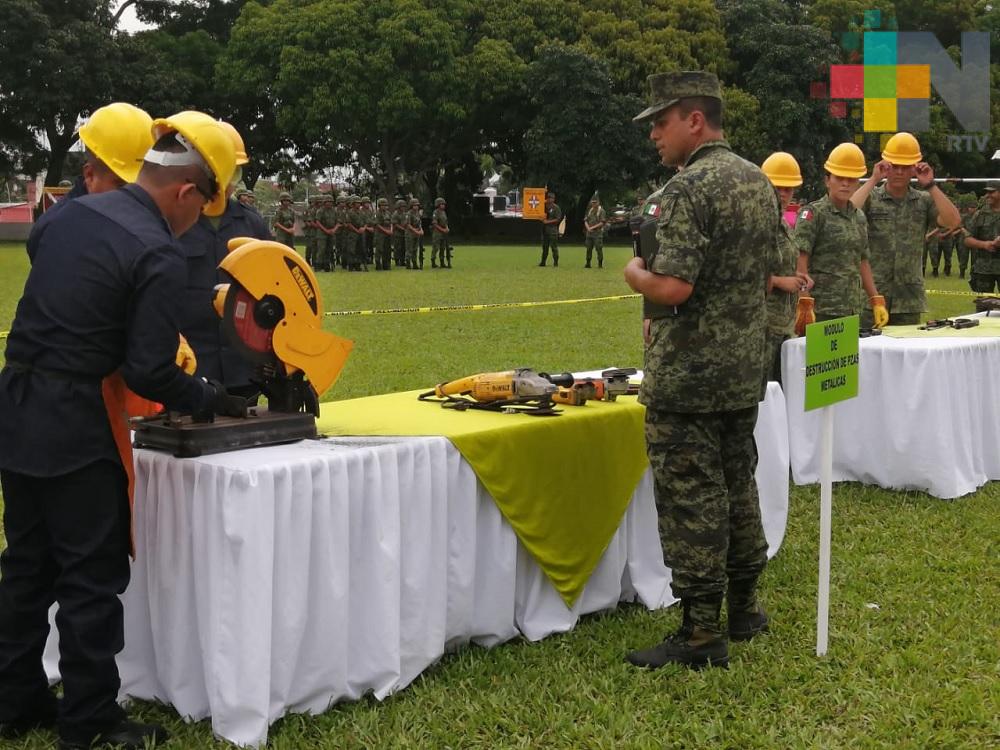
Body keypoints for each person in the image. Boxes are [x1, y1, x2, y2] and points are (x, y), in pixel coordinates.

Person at [0, 111, 247, 750]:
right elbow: (148, 369)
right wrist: (212, 397)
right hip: (78, 422)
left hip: (17, 402)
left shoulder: (65, 218)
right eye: (207, 205)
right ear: (187, 192)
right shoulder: (157, 250)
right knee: (91, 574)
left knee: (26, 565)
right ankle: (90, 724)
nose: (202, 223)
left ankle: (15, 697)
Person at [622, 71, 779, 670]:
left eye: (660, 122)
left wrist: (634, 274)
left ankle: (699, 634)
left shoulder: (686, 190)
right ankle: (744, 608)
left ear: (694, 119)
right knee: (739, 485)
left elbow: (673, 285)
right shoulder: (758, 181)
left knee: (692, 498)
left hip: (688, 375)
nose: (653, 136)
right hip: (743, 368)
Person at [176, 120, 272, 397]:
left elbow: (276, 287)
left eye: (235, 173)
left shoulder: (252, 224)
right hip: (190, 367)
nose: (227, 182)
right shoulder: (173, 224)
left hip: (245, 368)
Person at [849, 132, 960, 325]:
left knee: (906, 354)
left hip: (908, 299)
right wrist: (873, 179)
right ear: (885, 167)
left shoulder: (923, 200)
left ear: (914, 170)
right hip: (872, 296)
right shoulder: (872, 197)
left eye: (905, 167)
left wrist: (931, 185)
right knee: (867, 352)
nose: (899, 172)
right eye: (895, 166)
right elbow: (847, 213)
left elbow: (953, 222)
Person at [793, 143, 887, 329]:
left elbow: (863, 260)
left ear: (858, 182)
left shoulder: (858, 216)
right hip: (821, 308)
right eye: (840, 178)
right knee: (818, 358)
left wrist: (875, 298)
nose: (845, 184)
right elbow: (800, 258)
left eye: (851, 179)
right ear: (828, 180)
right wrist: (804, 299)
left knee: (846, 359)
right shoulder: (814, 214)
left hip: (851, 307)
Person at [29, 103, 154, 240]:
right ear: (89, 176)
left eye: (141, 187)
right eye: (121, 186)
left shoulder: (153, 220)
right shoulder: (57, 231)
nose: (134, 196)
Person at [760, 152, 812, 382]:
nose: (782, 194)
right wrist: (783, 282)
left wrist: (798, 278)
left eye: (787, 189)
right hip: (763, 325)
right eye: (777, 187)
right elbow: (745, 274)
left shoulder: (781, 222)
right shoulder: (757, 222)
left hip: (783, 324)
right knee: (767, 394)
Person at [964, 181, 1000, 293]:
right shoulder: (979, 214)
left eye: (992, 192)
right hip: (984, 269)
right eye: (987, 192)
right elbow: (967, 239)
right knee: (984, 306)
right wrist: (984, 245)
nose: (988, 195)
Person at [538, 191, 562, 266]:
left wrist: (547, 222)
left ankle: (555, 262)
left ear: (554, 199)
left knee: (554, 247)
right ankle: (543, 262)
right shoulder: (543, 206)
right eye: (548, 198)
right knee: (544, 247)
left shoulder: (556, 208)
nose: (549, 199)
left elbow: (558, 219)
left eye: (551, 198)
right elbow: (540, 215)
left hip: (552, 230)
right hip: (545, 230)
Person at [583, 193, 607, 268]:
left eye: (595, 202)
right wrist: (588, 228)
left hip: (597, 233)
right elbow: (585, 220)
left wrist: (592, 228)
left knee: (598, 248)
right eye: (592, 202)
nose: (593, 204)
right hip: (589, 233)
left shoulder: (601, 211)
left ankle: (600, 264)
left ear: (598, 202)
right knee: (588, 248)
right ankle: (588, 263)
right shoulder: (590, 210)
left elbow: (602, 222)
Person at [374, 197, 393, 270]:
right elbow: (377, 225)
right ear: (379, 205)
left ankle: (387, 264)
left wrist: (391, 230)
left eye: (385, 205)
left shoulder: (388, 213)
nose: (384, 206)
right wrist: (386, 231)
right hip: (380, 234)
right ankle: (378, 264)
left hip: (388, 234)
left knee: (387, 249)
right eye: (383, 205)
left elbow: (391, 223)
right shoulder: (377, 213)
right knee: (379, 249)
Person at [431, 197, 450, 268]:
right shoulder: (435, 212)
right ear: (438, 205)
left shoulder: (444, 212)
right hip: (437, 233)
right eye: (441, 204)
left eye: (443, 204)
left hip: (444, 233)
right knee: (436, 247)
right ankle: (433, 261)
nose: (443, 205)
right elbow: (435, 224)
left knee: (443, 248)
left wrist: (447, 228)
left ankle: (442, 262)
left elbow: (445, 222)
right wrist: (442, 230)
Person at [392, 198, 407, 267]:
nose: (403, 208)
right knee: (397, 247)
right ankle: (397, 261)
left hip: (404, 233)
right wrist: (403, 229)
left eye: (404, 206)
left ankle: (402, 260)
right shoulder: (395, 214)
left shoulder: (404, 214)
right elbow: (395, 224)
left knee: (403, 247)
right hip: (397, 233)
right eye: (402, 206)